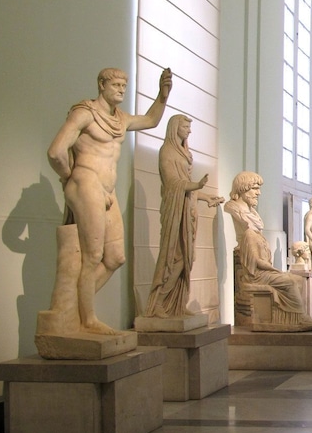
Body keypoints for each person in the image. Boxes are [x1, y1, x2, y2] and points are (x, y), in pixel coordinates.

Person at [46, 67, 172, 335]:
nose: (120, 90)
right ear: (101, 85)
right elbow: (56, 151)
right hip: (87, 182)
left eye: (124, 86)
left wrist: (162, 96)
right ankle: (87, 320)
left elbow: (150, 120)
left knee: (115, 257)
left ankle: (72, 309)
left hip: (106, 188)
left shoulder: (120, 119)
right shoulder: (84, 113)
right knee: (92, 255)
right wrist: (70, 178)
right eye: (115, 84)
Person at [144, 115, 224, 318]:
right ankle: (158, 303)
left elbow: (187, 187)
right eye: (185, 127)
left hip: (187, 211)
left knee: (187, 257)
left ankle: (177, 304)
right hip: (174, 211)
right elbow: (173, 183)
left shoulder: (184, 153)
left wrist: (205, 197)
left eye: (189, 127)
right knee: (174, 257)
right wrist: (196, 185)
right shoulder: (167, 152)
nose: (189, 131)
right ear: (174, 128)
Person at [225, 171, 312, 329]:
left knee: (293, 280)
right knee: (288, 281)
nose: (258, 193)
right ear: (243, 188)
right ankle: (297, 317)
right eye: (254, 188)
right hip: (252, 270)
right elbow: (256, 261)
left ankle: (293, 317)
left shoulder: (252, 214)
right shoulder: (235, 210)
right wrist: (276, 271)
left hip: (259, 268)